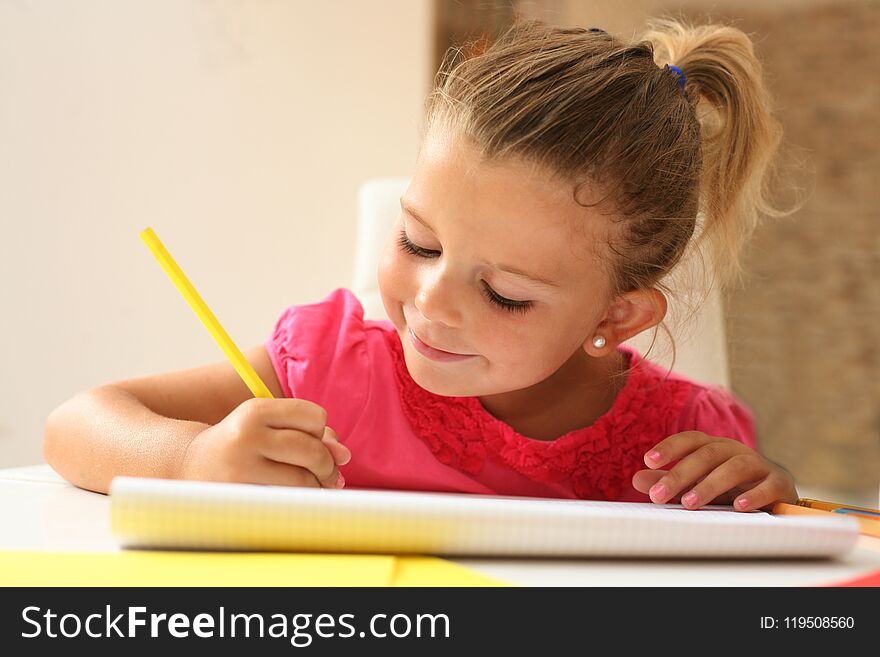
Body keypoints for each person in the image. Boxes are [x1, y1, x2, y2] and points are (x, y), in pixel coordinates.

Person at [44, 18, 798, 512]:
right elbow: (76, 426)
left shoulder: (685, 443)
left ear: (615, 315)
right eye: (419, 243)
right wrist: (193, 458)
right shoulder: (335, 370)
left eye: (504, 294)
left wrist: (771, 508)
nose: (432, 304)